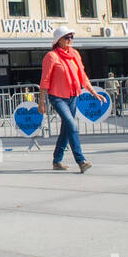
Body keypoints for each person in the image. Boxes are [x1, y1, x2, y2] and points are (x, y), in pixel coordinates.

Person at [40, 26, 98, 173]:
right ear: (58, 40)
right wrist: (41, 102)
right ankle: (81, 160)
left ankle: (57, 161)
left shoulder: (75, 55)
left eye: (72, 37)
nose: (70, 40)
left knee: (66, 129)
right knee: (72, 126)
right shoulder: (51, 56)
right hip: (57, 97)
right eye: (67, 37)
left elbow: (82, 76)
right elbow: (45, 80)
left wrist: (93, 91)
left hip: (72, 96)